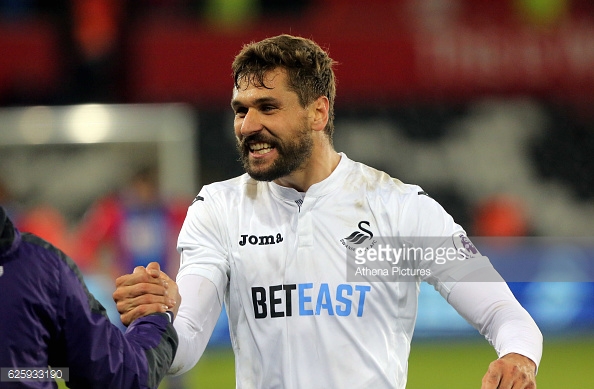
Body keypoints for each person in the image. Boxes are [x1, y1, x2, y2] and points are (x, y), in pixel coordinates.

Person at [113, 34, 542, 388]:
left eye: (267, 107)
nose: (246, 126)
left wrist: (518, 357)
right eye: (240, 110)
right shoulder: (219, 209)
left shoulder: (399, 208)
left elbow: (502, 312)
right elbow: (184, 348)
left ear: (318, 112)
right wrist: (160, 316)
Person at [0, 205, 179, 389]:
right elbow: (116, 374)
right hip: (131, 296)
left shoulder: (164, 211)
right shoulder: (38, 268)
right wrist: (158, 318)